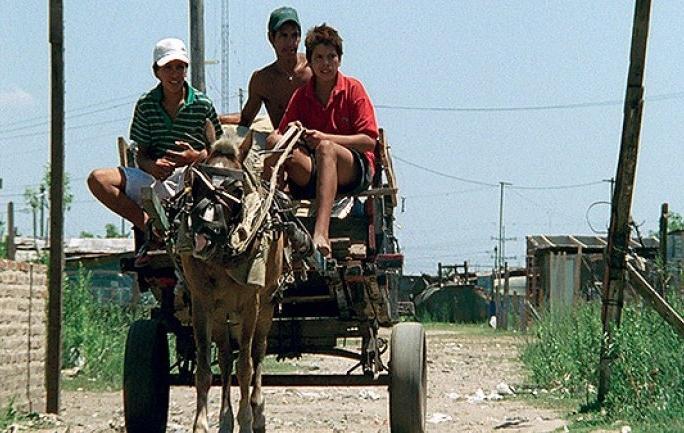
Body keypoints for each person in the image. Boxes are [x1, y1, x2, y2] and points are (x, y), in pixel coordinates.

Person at [88, 38, 223, 253]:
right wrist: (152, 166)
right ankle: (151, 227)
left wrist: (193, 157)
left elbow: (216, 152)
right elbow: (141, 155)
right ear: (156, 72)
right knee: (98, 179)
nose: (175, 74)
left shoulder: (202, 104)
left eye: (180, 67)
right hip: (154, 179)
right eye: (168, 67)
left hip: (191, 180)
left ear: (186, 70)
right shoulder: (146, 104)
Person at [274, 24, 379, 257]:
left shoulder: (353, 89)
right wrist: (291, 134)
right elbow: (281, 134)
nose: (326, 64)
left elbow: (369, 141)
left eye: (331, 57)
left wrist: (325, 138)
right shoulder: (302, 95)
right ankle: (274, 221)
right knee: (277, 145)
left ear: (339, 60)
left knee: (326, 149)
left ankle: (321, 232)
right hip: (315, 173)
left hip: (352, 171)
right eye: (319, 58)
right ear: (309, 61)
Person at [221, 6, 312, 128]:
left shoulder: (313, 68)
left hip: (316, 138)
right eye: (284, 36)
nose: (290, 42)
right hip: (282, 142)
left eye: (294, 35)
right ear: (271, 38)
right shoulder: (262, 80)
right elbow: (245, 120)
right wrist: (218, 119)